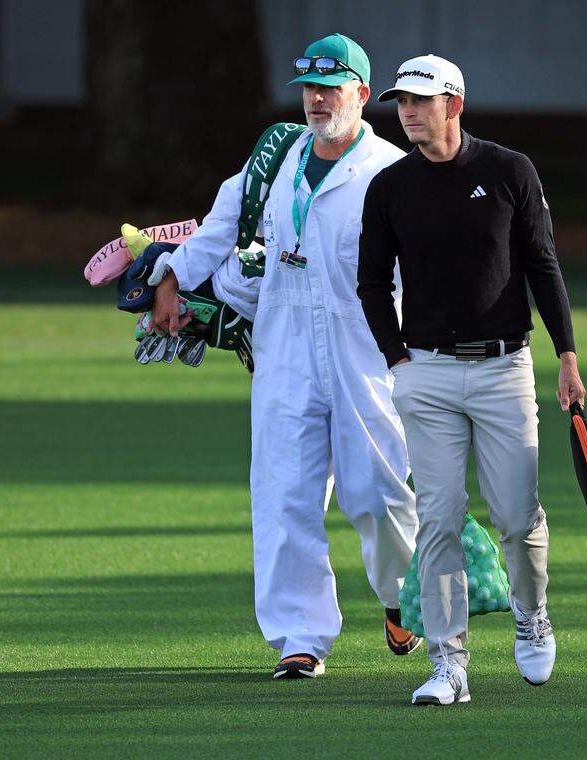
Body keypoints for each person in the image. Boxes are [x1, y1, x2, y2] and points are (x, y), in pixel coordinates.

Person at [150, 34, 421, 679]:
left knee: (376, 491)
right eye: (309, 88)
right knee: (283, 493)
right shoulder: (273, 162)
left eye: (331, 87)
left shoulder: (391, 172)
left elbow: (421, 272)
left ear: (362, 93)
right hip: (285, 348)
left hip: (365, 350)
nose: (317, 100)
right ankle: (299, 637)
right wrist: (169, 279)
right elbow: (218, 230)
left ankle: (401, 597)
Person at [357, 54, 586, 705]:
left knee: (517, 516)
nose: (407, 112)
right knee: (438, 520)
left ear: (453, 105)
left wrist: (567, 356)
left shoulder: (510, 171)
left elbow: (542, 264)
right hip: (424, 373)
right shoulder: (390, 186)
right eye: (402, 102)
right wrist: (397, 359)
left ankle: (532, 615)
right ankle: (448, 663)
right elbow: (370, 282)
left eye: (420, 101)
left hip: (505, 369)